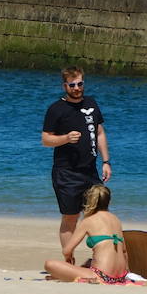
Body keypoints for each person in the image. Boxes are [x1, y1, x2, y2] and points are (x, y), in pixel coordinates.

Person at [41, 66, 111, 247]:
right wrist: (65, 138)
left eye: (80, 83)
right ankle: (68, 261)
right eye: (72, 85)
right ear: (65, 86)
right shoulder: (56, 109)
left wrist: (106, 161)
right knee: (71, 217)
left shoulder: (91, 103)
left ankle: (100, 259)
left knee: (99, 214)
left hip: (90, 171)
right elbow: (46, 140)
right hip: (66, 173)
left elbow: (100, 133)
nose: (77, 88)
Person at [43, 184, 139, 284]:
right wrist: (127, 273)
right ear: (109, 201)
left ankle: (67, 276)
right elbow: (124, 252)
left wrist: (69, 258)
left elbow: (67, 251)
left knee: (49, 264)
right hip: (121, 275)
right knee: (88, 262)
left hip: (102, 276)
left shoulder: (88, 221)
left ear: (90, 200)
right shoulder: (116, 220)